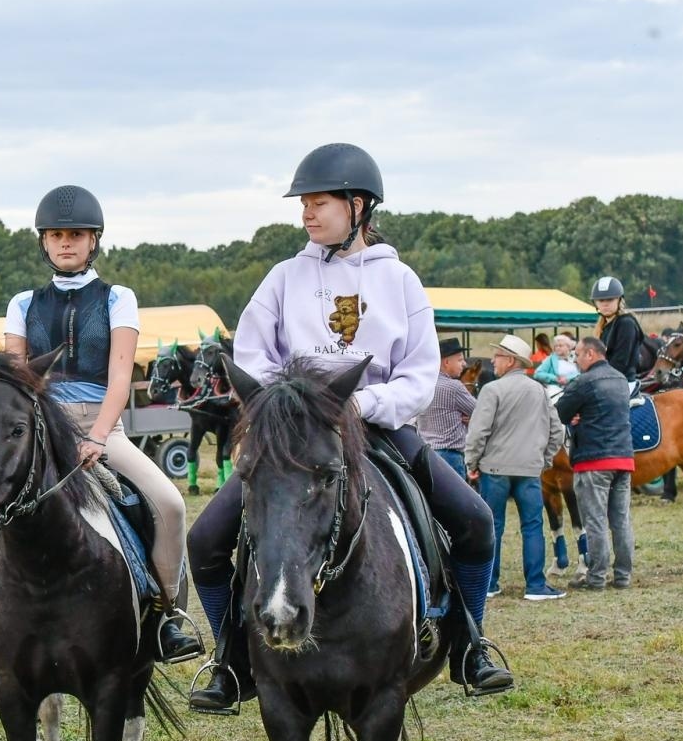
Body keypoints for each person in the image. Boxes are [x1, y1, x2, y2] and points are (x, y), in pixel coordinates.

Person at [186, 142, 513, 712]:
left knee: (476, 522)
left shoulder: (401, 280)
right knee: (205, 539)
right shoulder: (284, 277)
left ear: (358, 206)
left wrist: (361, 405)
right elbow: (252, 351)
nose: (307, 213)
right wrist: (287, 404)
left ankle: (470, 643)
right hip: (295, 436)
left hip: (378, 429)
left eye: (319, 202)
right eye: (304, 203)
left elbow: (418, 373)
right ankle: (229, 658)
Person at [0, 185, 203, 666]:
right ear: (43, 242)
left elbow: (121, 375)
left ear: (94, 241)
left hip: (101, 427)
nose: (67, 243)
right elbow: (17, 383)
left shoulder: (117, 299)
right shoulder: (23, 303)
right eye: (57, 235)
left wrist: (99, 436)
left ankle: (169, 617)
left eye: (77, 235)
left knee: (169, 504)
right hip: (38, 429)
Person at [464, 334, 565, 601]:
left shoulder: (492, 390)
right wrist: (544, 460)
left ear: (510, 361)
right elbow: (558, 431)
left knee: (493, 527)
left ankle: (489, 584)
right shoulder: (539, 390)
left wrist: (471, 463)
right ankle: (535, 585)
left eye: (497, 356)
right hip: (530, 469)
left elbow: (478, 432)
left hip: (494, 469)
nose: (493, 361)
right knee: (532, 526)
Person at [555, 337, 635, 590]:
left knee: (596, 521)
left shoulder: (584, 382)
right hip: (623, 458)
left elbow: (561, 411)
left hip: (593, 460)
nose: (575, 359)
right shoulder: (621, 380)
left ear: (590, 354)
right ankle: (623, 576)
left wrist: (577, 417)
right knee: (621, 521)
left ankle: (597, 577)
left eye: (577, 354)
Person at [415, 336, 474, 479]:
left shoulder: (423, 385)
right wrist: (469, 419)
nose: (464, 364)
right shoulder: (454, 387)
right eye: (459, 360)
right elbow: (481, 412)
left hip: (426, 453)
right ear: (447, 362)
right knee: (456, 499)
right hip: (450, 456)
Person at [591, 276, 644, 384]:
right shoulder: (604, 327)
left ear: (619, 300)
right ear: (596, 303)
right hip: (607, 378)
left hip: (622, 382)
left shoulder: (626, 323)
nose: (605, 304)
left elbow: (620, 361)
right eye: (601, 300)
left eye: (610, 299)